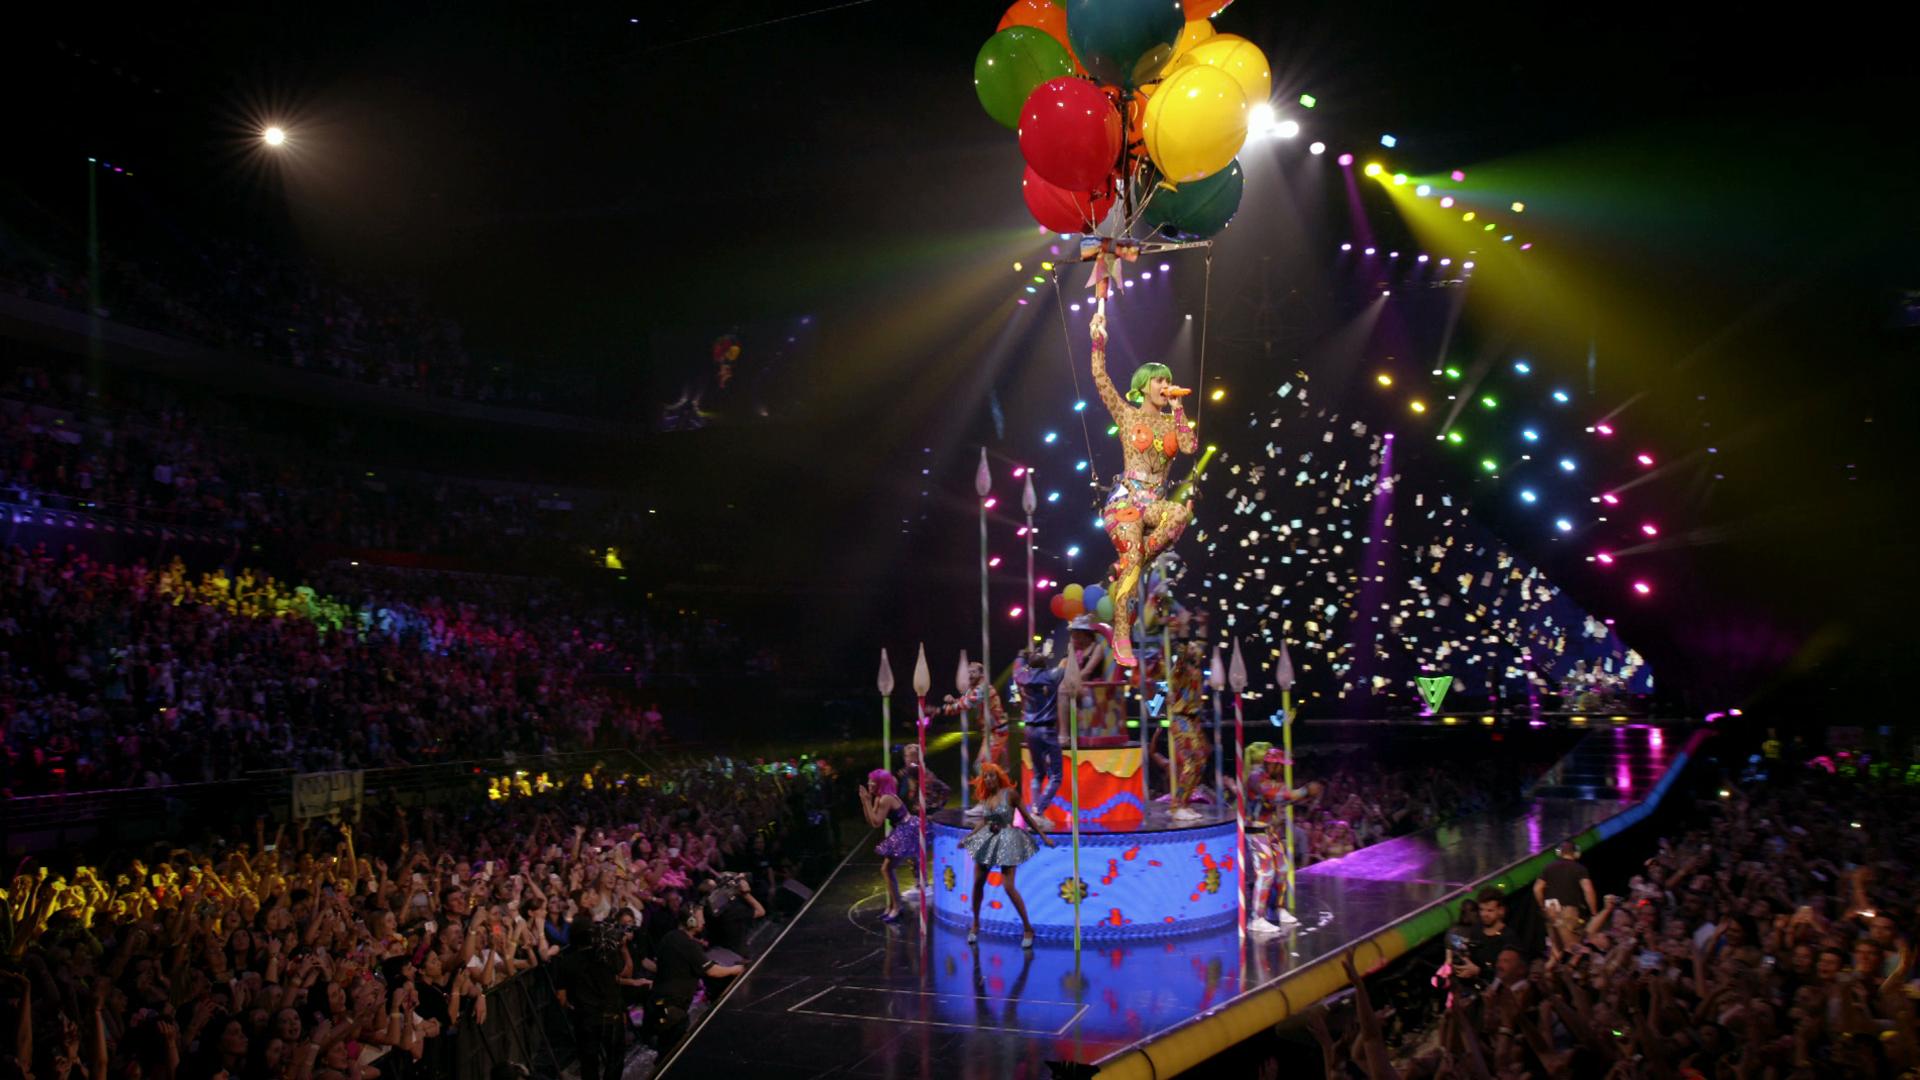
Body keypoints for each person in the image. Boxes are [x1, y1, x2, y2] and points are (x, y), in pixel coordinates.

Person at [1089, 308, 1197, 667]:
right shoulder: (1128, 414)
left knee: (1180, 513)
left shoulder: (1172, 421)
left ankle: (1127, 569)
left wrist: (1179, 410)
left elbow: (1188, 448)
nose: (1166, 385)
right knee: (1133, 562)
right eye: (1160, 380)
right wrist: (1098, 339)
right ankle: (1122, 636)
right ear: (1144, 384)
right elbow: (1100, 377)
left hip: (1154, 501)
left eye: (1169, 380)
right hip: (1125, 501)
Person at [960, 763, 1049, 948]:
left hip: (1007, 840)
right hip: (988, 840)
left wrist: (1043, 837)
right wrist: (968, 838)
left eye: (992, 775)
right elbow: (984, 821)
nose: (989, 779)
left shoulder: (1010, 794)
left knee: (1008, 886)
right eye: (986, 776)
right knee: (977, 883)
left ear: (998, 776)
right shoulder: (987, 798)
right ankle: (975, 925)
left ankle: (1027, 928)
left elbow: (1027, 817)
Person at [644, 904, 744, 1052]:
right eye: (700, 918)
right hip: (670, 1011)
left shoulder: (670, 936)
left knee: (666, 1049)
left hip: (658, 1005)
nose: (703, 922)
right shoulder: (687, 944)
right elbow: (712, 971)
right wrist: (735, 969)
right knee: (671, 1051)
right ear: (691, 921)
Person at [553, 914, 637, 1080]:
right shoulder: (605, 954)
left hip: (585, 1019)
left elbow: (561, 997)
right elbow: (627, 972)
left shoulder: (566, 962)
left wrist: (574, 1007)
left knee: (588, 1063)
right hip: (611, 1015)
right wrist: (623, 949)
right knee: (614, 1060)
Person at [1241, 742, 1303, 933]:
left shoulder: (1276, 779)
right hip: (1256, 830)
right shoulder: (1255, 778)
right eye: (1280, 765)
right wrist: (1305, 791)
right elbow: (1274, 794)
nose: (1282, 769)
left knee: (1283, 869)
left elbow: (1286, 798)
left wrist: (1302, 795)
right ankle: (1256, 918)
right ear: (1271, 764)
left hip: (1270, 830)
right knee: (1266, 872)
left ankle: (1277, 908)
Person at [1012, 649, 1067, 819]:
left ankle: (1036, 811)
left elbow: (1017, 668)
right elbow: (1066, 666)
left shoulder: (1022, 677)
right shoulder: (1052, 675)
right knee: (1057, 775)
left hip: (1030, 729)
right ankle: (1039, 808)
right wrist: (1069, 653)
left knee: (1038, 773)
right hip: (1047, 729)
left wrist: (1021, 655)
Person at [860, 769, 919, 922]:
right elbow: (872, 822)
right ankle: (893, 906)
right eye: (869, 780)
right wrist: (865, 801)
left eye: (872, 781)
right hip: (901, 828)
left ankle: (897, 907)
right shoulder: (879, 798)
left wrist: (866, 801)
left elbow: (876, 822)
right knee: (887, 868)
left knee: (887, 868)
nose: (869, 784)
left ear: (880, 783)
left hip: (907, 828)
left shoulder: (886, 798)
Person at [939, 660, 1011, 778]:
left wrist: (945, 709)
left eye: (973, 672)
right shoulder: (974, 689)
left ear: (981, 675)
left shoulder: (983, 688)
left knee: (982, 766)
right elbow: (963, 702)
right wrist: (952, 703)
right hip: (993, 731)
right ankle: (998, 792)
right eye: (969, 672)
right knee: (998, 769)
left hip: (997, 732)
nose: (970, 675)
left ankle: (992, 793)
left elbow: (967, 703)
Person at [1166, 640, 1210, 820]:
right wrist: (1182, 646)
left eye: (1196, 648)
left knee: (1201, 761)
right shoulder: (1181, 669)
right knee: (1191, 762)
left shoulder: (1198, 673)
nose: (1196, 650)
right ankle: (1177, 805)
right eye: (1192, 648)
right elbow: (1180, 661)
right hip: (1180, 718)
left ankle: (1185, 802)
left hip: (1192, 719)